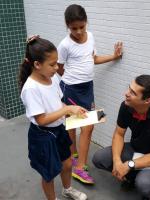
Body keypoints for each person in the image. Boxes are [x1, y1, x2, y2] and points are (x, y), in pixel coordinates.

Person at [57, 4, 123, 184]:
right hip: (71, 88)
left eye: (81, 27)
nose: (78, 31)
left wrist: (113, 56)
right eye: (73, 28)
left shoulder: (91, 36)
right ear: (67, 26)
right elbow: (59, 68)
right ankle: (79, 168)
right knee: (88, 125)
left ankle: (73, 154)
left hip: (88, 88)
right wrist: (71, 81)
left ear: (86, 23)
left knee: (73, 122)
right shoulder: (64, 45)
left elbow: (92, 59)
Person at [19, 35, 87, 200]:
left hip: (58, 130)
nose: (57, 67)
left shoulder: (53, 78)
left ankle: (67, 189)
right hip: (42, 135)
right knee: (48, 172)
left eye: (57, 62)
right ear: (37, 64)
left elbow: (59, 103)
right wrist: (66, 110)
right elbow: (41, 120)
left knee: (67, 163)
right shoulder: (31, 88)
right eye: (52, 64)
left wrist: (72, 110)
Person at [92, 75, 150, 200]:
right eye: (129, 88)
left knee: (144, 184)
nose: (126, 93)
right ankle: (131, 176)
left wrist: (129, 165)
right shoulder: (126, 106)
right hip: (136, 149)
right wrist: (117, 161)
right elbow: (119, 134)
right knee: (99, 158)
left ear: (147, 100)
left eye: (133, 93)